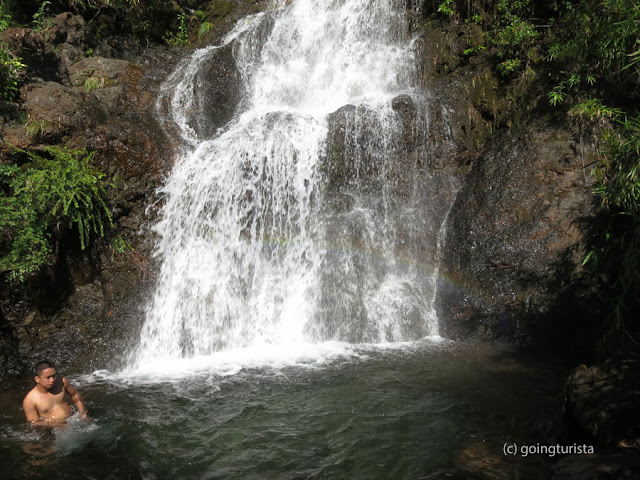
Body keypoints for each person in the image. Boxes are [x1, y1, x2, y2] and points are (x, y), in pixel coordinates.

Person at [22, 360, 88, 426]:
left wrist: (82, 412)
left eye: (53, 376)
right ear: (37, 379)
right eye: (48, 377)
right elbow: (34, 422)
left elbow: (74, 394)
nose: (52, 380)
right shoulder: (30, 400)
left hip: (74, 420)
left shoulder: (62, 382)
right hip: (56, 430)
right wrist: (56, 424)